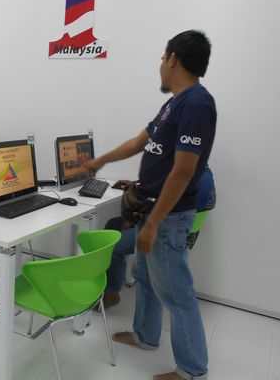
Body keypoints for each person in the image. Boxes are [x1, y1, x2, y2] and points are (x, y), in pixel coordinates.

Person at [84, 30, 216, 380]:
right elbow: (139, 142)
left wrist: (155, 222)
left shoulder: (197, 104)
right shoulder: (173, 104)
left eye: (161, 58)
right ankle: (145, 336)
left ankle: (192, 371)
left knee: (177, 293)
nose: (160, 65)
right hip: (151, 211)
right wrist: (101, 161)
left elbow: (183, 170)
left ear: (173, 59)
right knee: (144, 276)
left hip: (168, 217)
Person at [103, 166, 216, 309]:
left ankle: (112, 295)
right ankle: (110, 283)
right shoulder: (198, 172)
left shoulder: (197, 182)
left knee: (113, 246)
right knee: (113, 224)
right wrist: (137, 185)